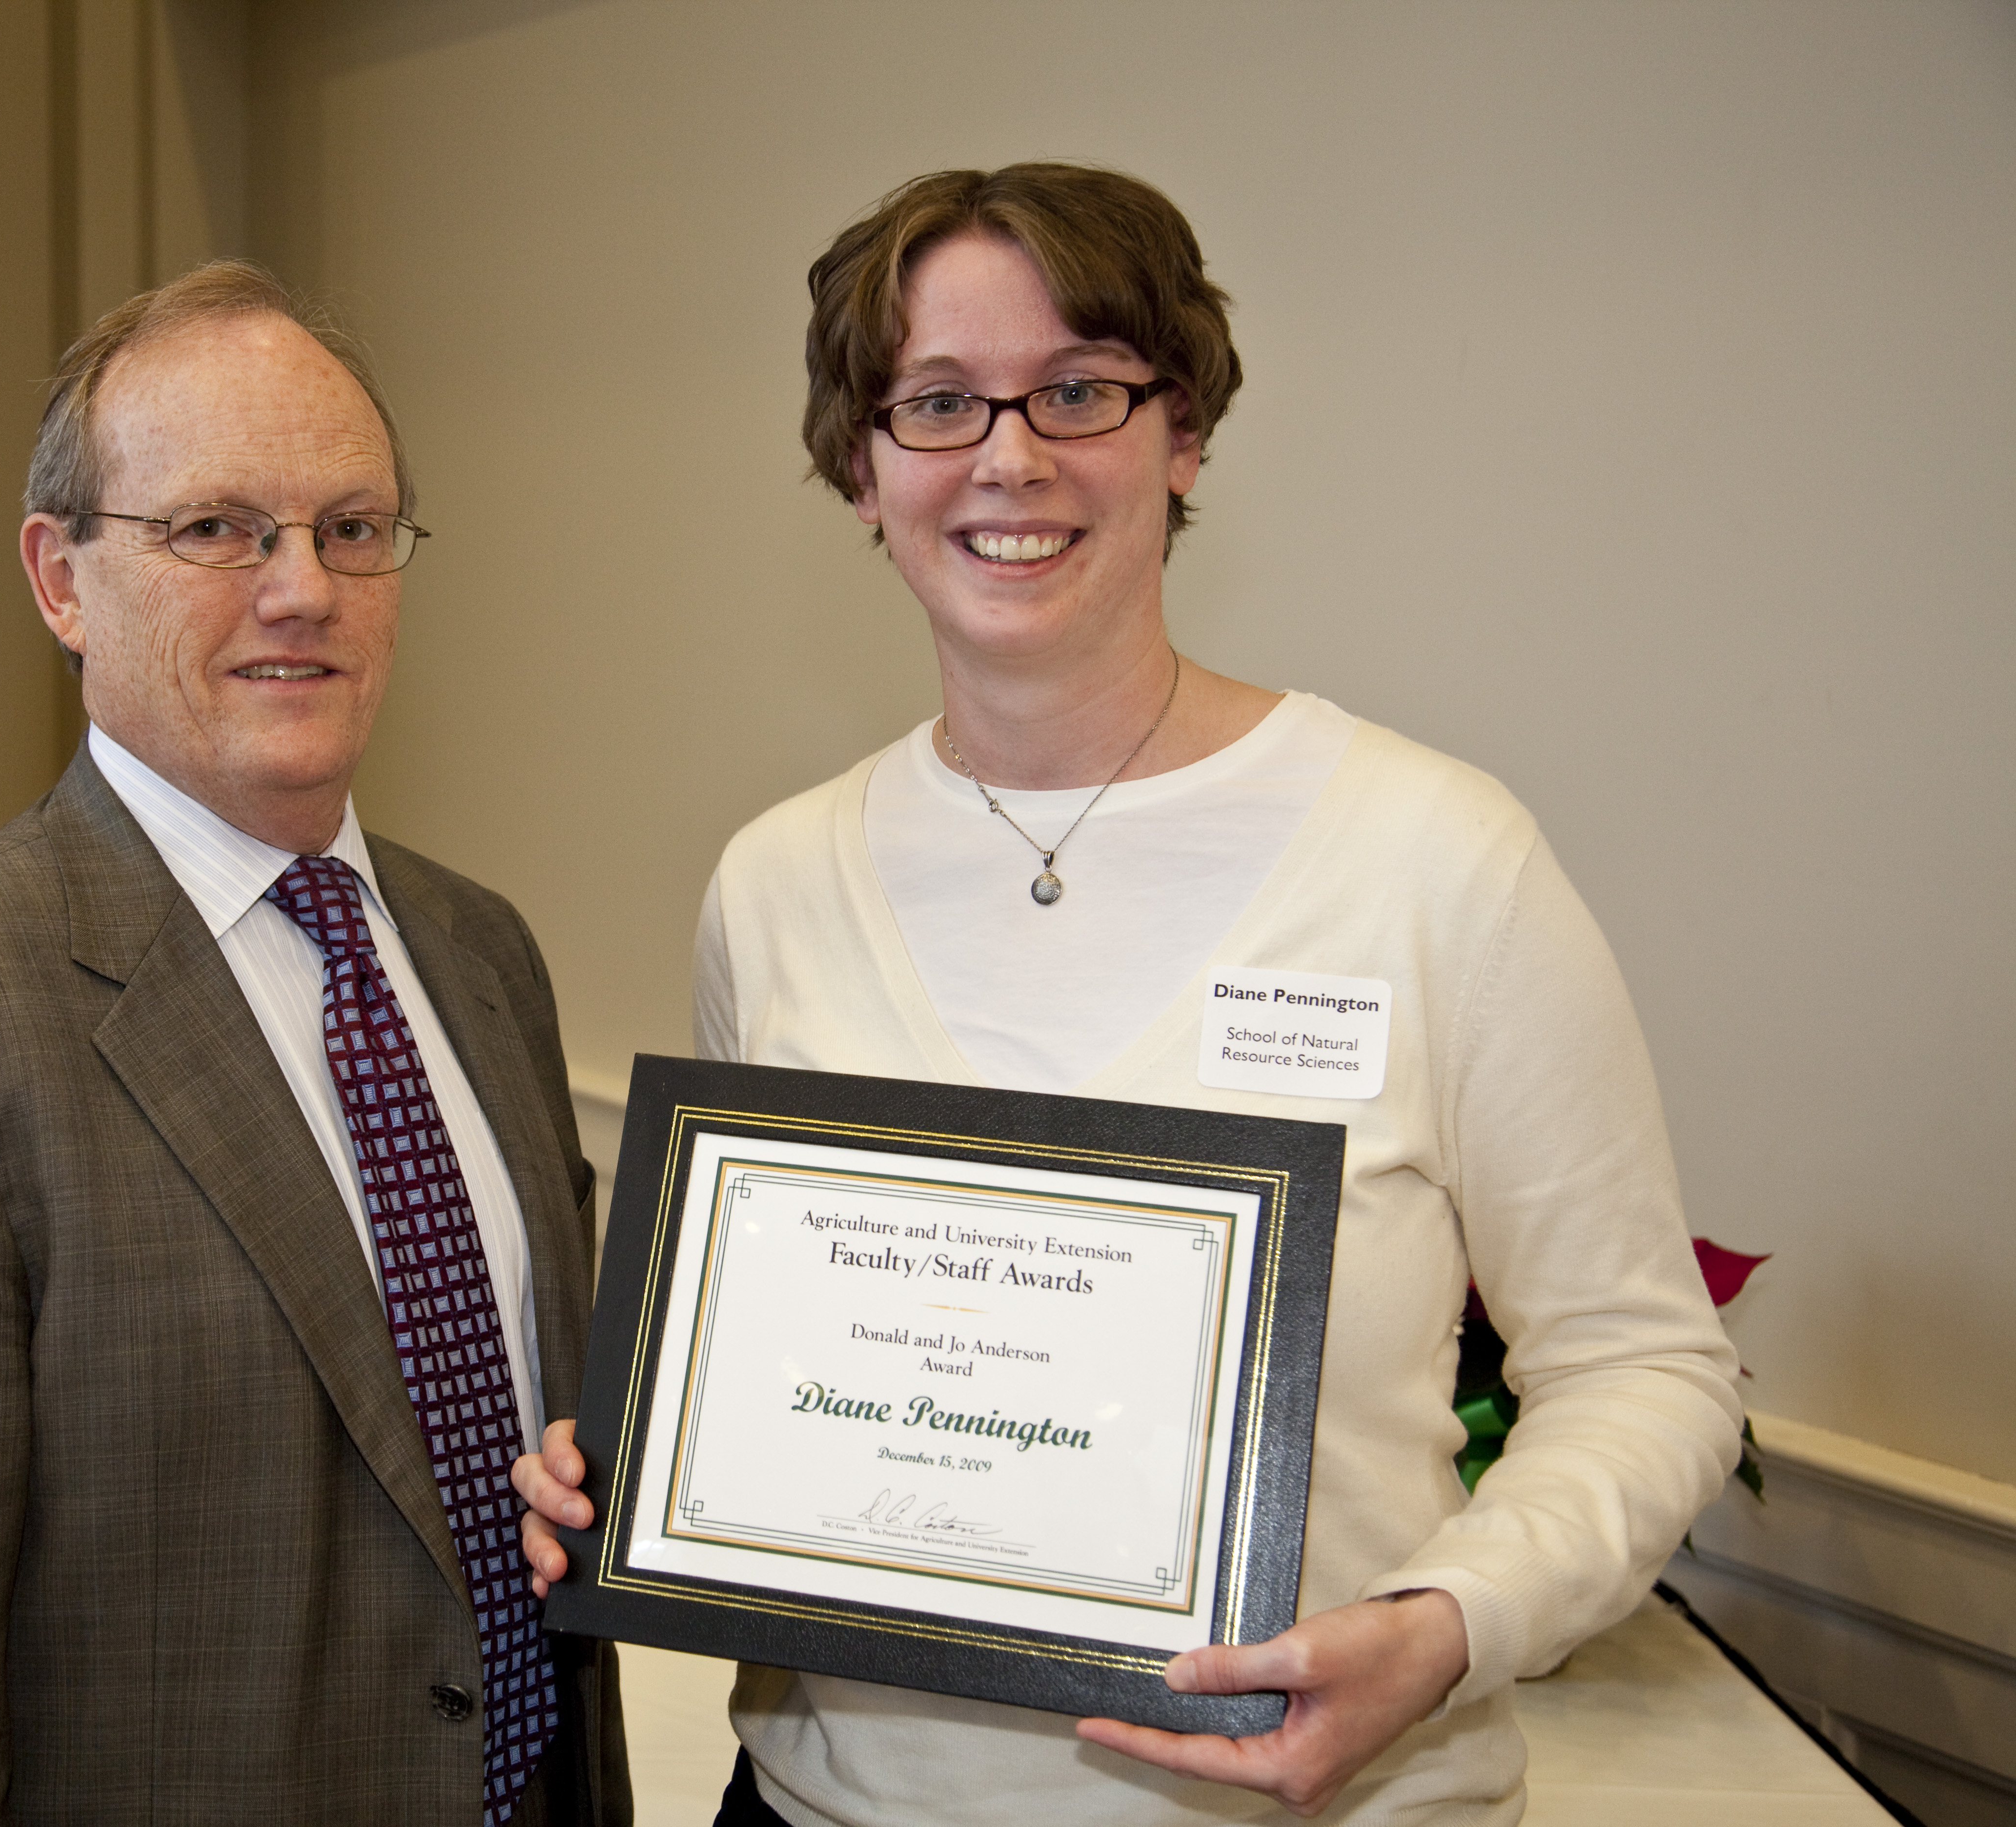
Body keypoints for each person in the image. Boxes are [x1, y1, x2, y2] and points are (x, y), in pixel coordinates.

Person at [517, 164, 1741, 1824]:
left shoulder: (1437, 858)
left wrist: (1448, 1628)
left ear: (1185, 437)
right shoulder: (779, 883)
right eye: (936, 403)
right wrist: (632, 1467)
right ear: (861, 474)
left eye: (1080, 389)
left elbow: (1643, 1368)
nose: (1009, 456)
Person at [0, 260, 627, 1827]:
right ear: (61, 580)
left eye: (352, 528)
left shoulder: (482, 955)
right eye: (214, 529)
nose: (303, 587)